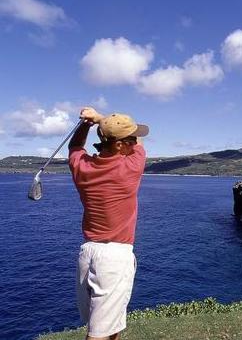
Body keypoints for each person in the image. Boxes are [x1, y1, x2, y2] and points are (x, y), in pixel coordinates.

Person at [68, 106, 149, 340]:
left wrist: (87, 124)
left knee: (111, 324)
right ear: (119, 145)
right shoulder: (130, 167)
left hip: (88, 252)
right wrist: (100, 118)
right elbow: (141, 148)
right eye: (131, 138)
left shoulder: (82, 167)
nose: (136, 142)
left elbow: (75, 148)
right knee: (98, 334)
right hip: (114, 258)